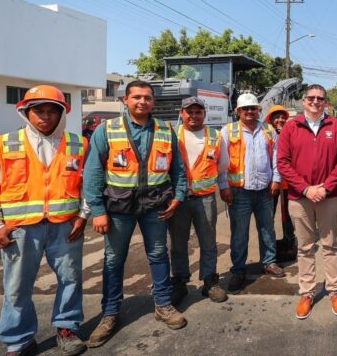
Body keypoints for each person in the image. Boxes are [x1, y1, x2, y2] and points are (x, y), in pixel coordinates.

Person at [0, 85, 88, 356]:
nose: (45, 116)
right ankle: (19, 340)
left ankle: (66, 328)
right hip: (20, 230)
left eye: (52, 111)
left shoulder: (78, 143)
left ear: (62, 114)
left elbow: (88, 187)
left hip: (66, 226)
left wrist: (83, 216)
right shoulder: (4, 144)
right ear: (26, 112)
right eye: (39, 110)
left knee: (70, 279)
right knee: (16, 286)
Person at [84, 80, 188, 348]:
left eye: (147, 98)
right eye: (137, 97)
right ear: (125, 100)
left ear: (153, 101)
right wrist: (97, 210)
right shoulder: (107, 130)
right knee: (113, 260)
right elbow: (94, 171)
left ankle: (163, 305)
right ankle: (109, 314)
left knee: (157, 254)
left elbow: (177, 168)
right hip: (118, 208)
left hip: (155, 205)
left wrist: (178, 196)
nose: (142, 102)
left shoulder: (166, 130)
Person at [276, 85, 337, 319]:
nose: (316, 102)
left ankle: (335, 290)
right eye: (311, 98)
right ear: (303, 100)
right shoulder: (291, 126)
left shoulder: (336, 126)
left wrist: (325, 187)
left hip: (329, 196)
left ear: (326, 103)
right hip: (300, 197)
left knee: (330, 244)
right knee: (306, 246)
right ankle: (307, 292)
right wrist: (306, 188)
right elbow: (283, 162)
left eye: (320, 99)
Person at [168, 97, 228, 306]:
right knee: (177, 242)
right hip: (178, 199)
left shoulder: (215, 135)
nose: (194, 116)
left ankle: (210, 280)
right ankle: (180, 281)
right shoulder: (172, 135)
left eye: (198, 112)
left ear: (204, 114)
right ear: (181, 113)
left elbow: (222, 165)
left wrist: (215, 184)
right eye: (189, 112)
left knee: (208, 241)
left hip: (205, 199)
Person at [223, 93, 285, 293]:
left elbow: (276, 156)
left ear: (259, 110)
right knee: (239, 233)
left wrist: (276, 179)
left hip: (265, 189)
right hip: (239, 190)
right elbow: (221, 162)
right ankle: (239, 270)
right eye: (245, 109)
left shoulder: (268, 130)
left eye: (253, 108)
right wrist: (223, 186)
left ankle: (269, 262)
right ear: (238, 111)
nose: (250, 112)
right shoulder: (228, 130)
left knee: (267, 228)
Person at [265, 105, 297, 262]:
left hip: (289, 183)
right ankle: (269, 249)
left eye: (282, 117)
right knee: (268, 216)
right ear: (270, 120)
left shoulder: (292, 133)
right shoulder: (267, 135)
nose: (280, 120)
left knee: (289, 216)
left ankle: (289, 240)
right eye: (276, 117)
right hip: (271, 183)